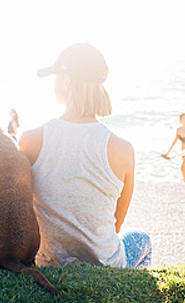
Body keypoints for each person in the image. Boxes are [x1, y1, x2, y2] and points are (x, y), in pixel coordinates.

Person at [19, 43, 151, 269]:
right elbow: (116, 225)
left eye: (56, 77)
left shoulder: (30, 140)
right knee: (142, 239)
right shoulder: (123, 149)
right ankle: (130, 295)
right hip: (106, 265)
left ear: (67, 81)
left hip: (49, 263)